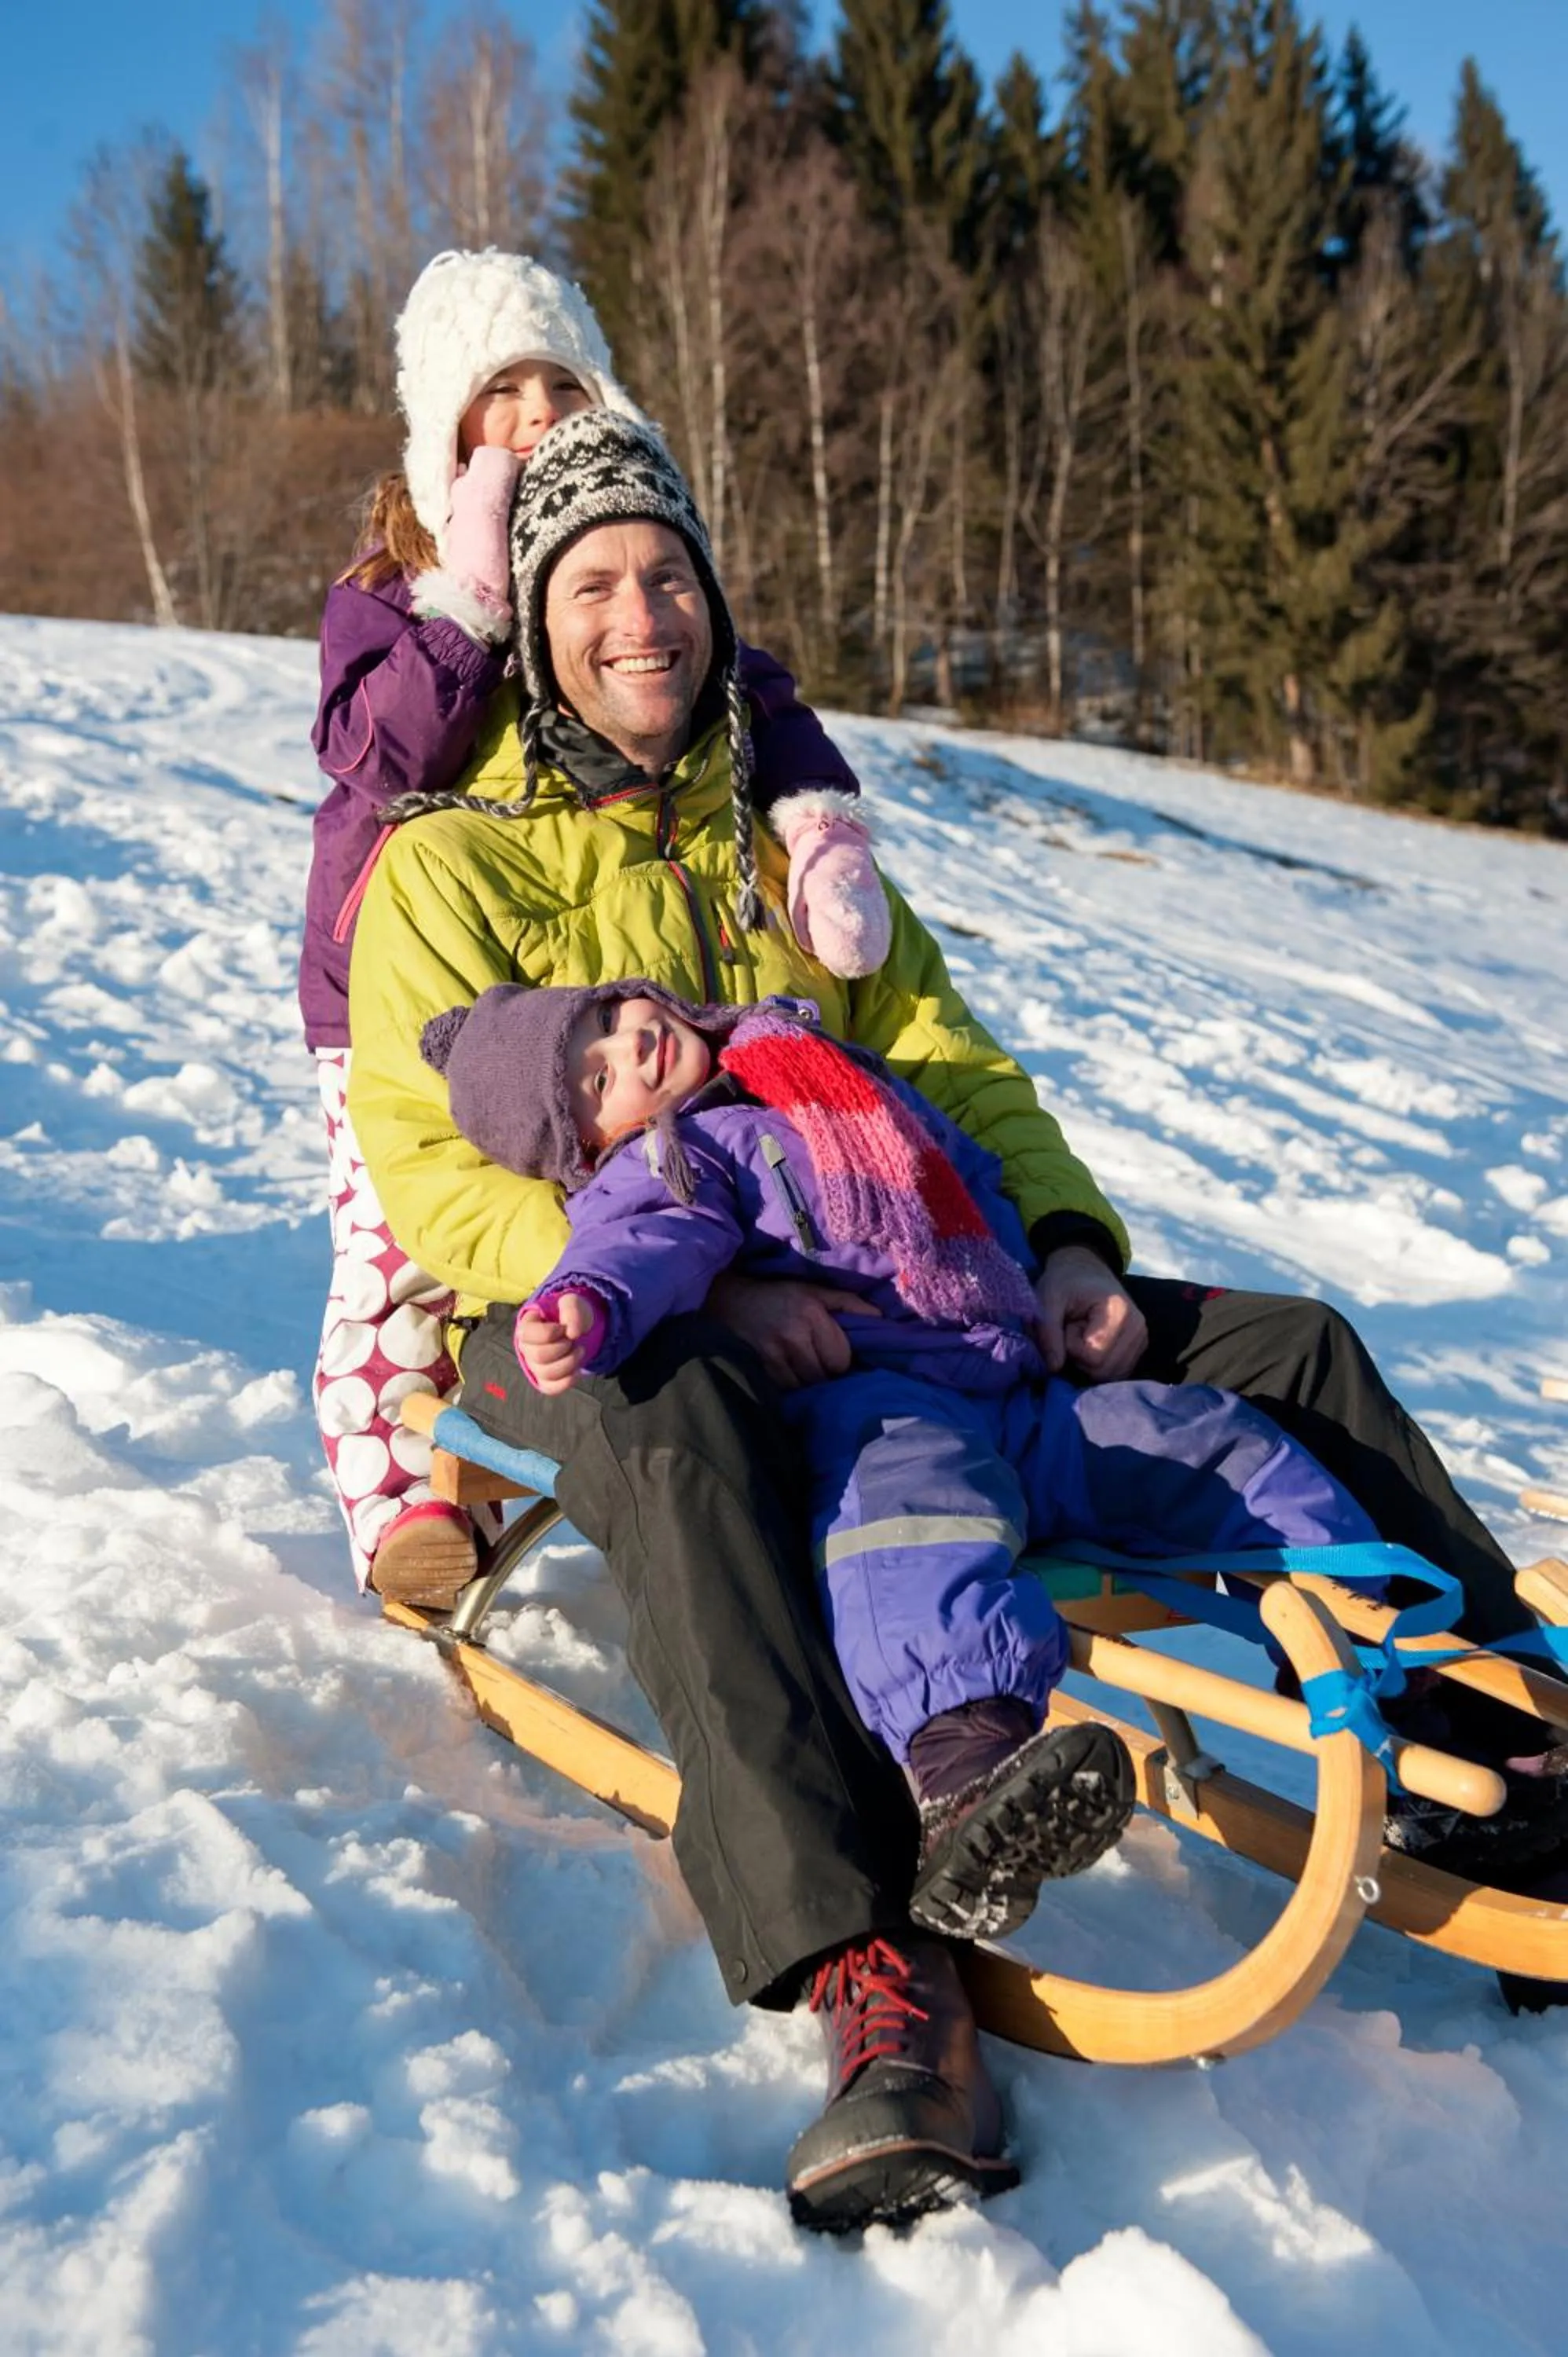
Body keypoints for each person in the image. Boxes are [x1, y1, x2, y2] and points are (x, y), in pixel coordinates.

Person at [344, 402, 1568, 2229]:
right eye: (590, 581)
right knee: (676, 1440)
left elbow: (952, 1066)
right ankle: (873, 1974)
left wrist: (1069, 1247)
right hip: (588, 1322)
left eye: (666, 571)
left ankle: (1508, 1748)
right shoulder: (450, 869)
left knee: (1280, 1346)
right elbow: (429, 1171)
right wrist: (706, 1276)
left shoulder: (792, 850)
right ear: (534, 625)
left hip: (916, 1307)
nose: (638, 615)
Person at [418, 975, 1397, 1943]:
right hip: (877, 1403)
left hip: (1017, 1390)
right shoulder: (674, 1161)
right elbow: (641, 1244)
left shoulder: (822, 1074)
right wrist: (588, 1301)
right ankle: (963, 1763)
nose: (627, 1048)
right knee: (908, 1523)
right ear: (593, 1146)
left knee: (1209, 1440)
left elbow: (965, 1167)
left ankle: (1381, 1648)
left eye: (607, 1019)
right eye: (594, 1082)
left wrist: (1050, 1261)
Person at [302, 247, 889, 1607]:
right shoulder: (400, 587)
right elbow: (378, 759)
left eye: (558, 383)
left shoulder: (625, 542)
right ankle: (398, 1503)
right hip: (383, 976)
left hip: (569, 964)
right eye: (496, 395)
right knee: (396, 1250)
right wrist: (469, 598)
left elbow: (751, 696)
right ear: (442, 430)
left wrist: (814, 824)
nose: (531, 415)